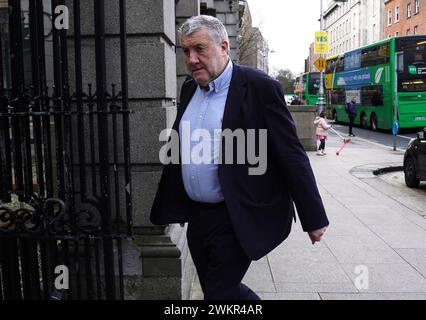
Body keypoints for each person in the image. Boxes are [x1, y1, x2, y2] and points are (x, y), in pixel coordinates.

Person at [150, 15, 329, 300]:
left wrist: (313, 217)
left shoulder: (260, 87)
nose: (192, 59)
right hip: (197, 216)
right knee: (217, 289)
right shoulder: (189, 88)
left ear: (223, 47)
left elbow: (291, 154)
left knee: (218, 294)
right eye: (186, 51)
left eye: (199, 49)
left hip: (237, 214)